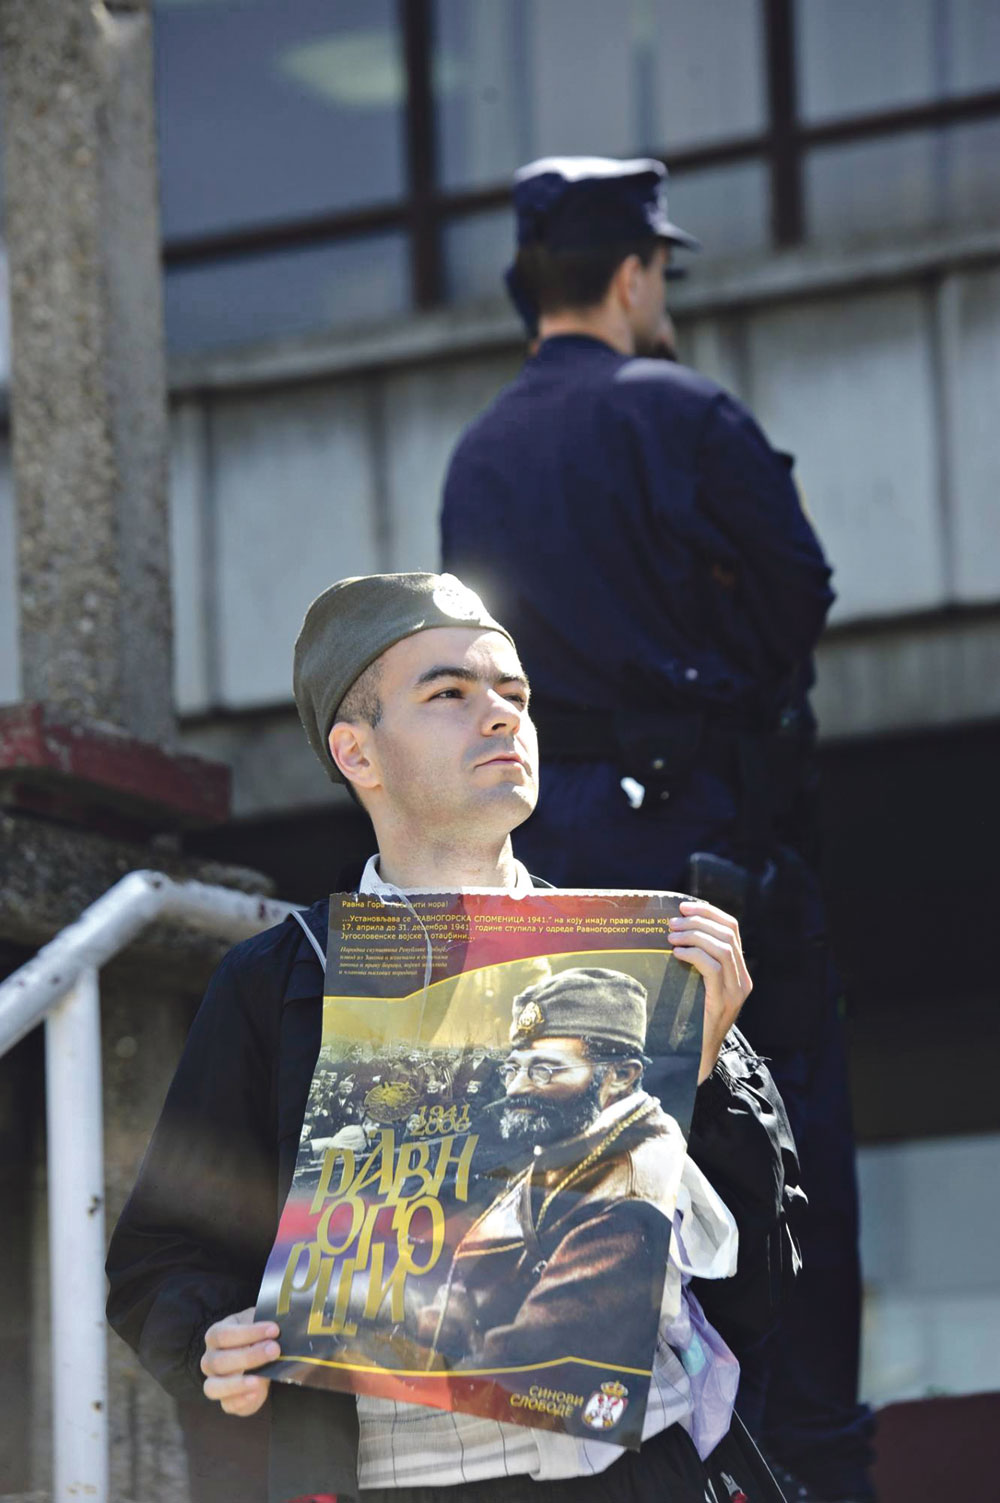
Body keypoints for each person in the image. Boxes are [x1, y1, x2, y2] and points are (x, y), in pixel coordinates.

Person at [106, 571, 794, 1503]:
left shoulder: (642, 960)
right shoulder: (282, 982)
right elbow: (159, 1257)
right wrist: (212, 1343)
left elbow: (769, 1278)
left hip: (642, 1470)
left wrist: (702, 1083)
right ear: (356, 751)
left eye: (515, 693)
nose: (503, 715)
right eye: (450, 693)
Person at [440, 157, 873, 1503]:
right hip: (703, 858)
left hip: (547, 876)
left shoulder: (477, 456)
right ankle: (806, 1469)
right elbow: (796, 597)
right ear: (634, 276)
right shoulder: (683, 412)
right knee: (782, 1166)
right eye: (660, 272)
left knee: (583, 1209)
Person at [420, 967, 706, 1385]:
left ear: (621, 1075)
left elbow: (533, 1359)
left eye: (544, 1071)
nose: (516, 1088)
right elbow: (474, 1281)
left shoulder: (629, 1192)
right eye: (513, 1069)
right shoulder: (573, 1138)